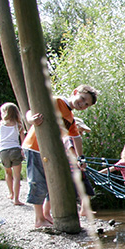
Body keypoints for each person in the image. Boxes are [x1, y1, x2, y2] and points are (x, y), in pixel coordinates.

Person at [23, 84, 97, 227]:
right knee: (38, 181)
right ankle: (39, 219)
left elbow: (76, 138)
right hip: (35, 147)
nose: (82, 104)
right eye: (82, 99)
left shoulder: (70, 117)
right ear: (75, 92)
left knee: (54, 182)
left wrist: (81, 158)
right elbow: (30, 110)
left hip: (51, 152)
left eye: (86, 104)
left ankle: (46, 214)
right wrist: (31, 120)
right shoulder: (56, 101)